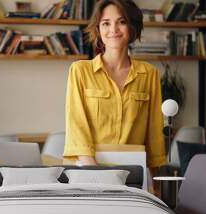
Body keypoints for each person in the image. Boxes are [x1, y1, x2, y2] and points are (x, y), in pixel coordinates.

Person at [63, 0, 167, 196]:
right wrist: (97, 176)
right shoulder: (80, 71)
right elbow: (77, 126)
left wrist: (156, 185)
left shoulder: (149, 73)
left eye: (121, 22)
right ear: (98, 28)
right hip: (88, 173)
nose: (113, 29)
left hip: (134, 175)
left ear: (132, 26)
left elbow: (153, 134)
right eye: (106, 23)